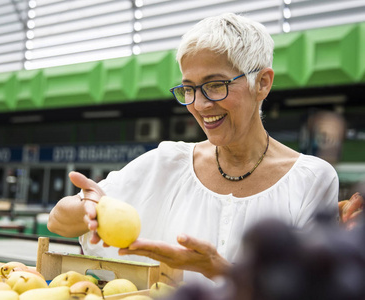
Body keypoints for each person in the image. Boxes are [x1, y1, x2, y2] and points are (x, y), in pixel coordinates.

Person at [47, 13, 339, 283]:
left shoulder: (311, 180)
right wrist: (92, 207)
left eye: (215, 85)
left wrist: (218, 269)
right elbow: (58, 221)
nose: (199, 105)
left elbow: (308, 289)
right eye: (189, 88)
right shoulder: (167, 163)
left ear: (262, 83)